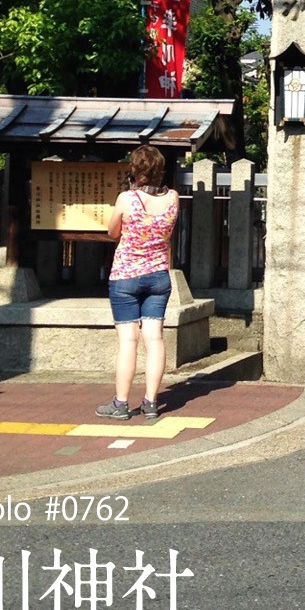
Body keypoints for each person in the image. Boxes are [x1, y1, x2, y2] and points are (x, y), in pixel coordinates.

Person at [98, 144, 180, 421]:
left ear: (136, 170)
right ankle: (151, 402)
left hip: (125, 277)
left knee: (128, 341)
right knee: (154, 338)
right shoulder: (173, 198)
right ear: (160, 171)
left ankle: (121, 404)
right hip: (159, 276)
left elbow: (113, 232)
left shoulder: (126, 198)